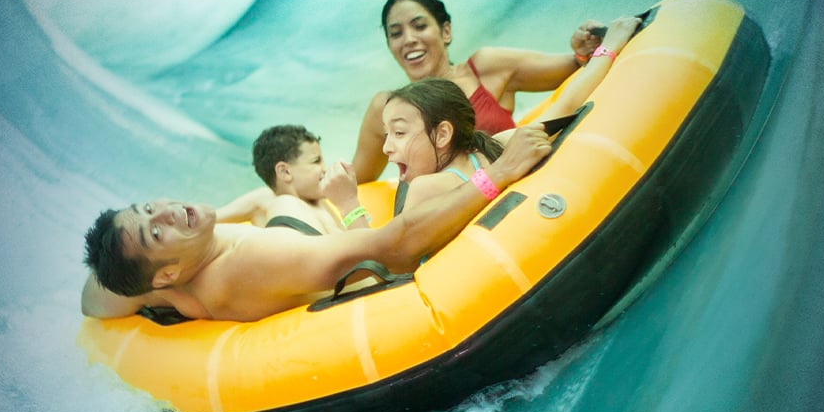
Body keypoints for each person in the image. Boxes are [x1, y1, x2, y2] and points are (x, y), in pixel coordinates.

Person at [80, 124, 553, 322]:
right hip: (341, 267)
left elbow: (93, 298)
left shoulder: (162, 280)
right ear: (166, 273)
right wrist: (500, 173)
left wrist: (149, 255)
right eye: (155, 232)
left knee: (266, 201)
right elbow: (394, 246)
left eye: (148, 207)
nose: (164, 212)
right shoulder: (260, 255)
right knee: (439, 178)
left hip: (264, 249)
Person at [384, 15, 642, 214]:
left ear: (442, 134)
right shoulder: (496, 147)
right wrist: (609, 46)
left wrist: (358, 213)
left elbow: (395, 252)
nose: (386, 148)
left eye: (399, 133)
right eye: (387, 134)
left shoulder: (422, 188)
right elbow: (567, 104)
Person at [351, 0, 610, 183]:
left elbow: (576, 65)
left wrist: (585, 48)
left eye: (419, 26)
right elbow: (359, 180)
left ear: (446, 31)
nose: (408, 39)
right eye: (396, 33)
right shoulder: (385, 109)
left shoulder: (486, 69)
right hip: (455, 224)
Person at [214, 125, 368, 234]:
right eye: (316, 161)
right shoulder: (264, 199)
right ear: (285, 172)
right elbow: (210, 220)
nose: (325, 169)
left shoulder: (319, 199)